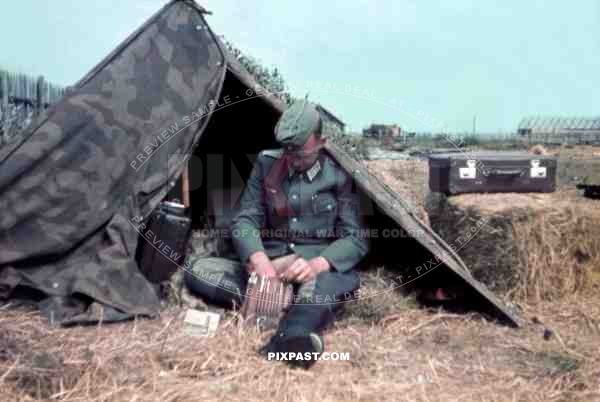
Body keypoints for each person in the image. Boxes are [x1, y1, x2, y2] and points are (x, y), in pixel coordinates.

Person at [184, 98, 370, 369]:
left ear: (322, 142)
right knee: (198, 271)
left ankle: (289, 338)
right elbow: (246, 218)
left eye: (301, 155)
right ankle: (283, 300)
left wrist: (318, 265)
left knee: (331, 284)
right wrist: (259, 261)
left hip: (313, 270)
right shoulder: (267, 163)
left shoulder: (339, 175)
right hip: (270, 267)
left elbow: (356, 238)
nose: (292, 161)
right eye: (287, 152)